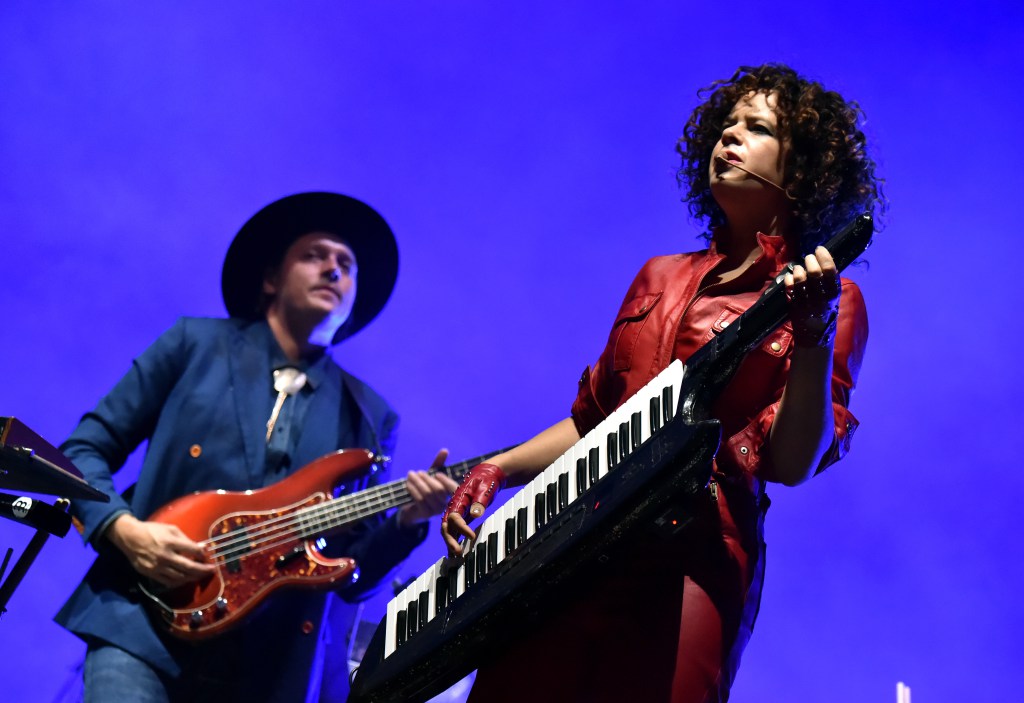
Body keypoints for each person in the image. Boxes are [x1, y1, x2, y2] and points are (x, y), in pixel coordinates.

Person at [441, 64, 883, 702]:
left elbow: (791, 462)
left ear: (802, 172)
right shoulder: (660, 274)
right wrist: (496, 469)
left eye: (755, 129)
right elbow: (598, 425)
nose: (727, 138)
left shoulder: (834, 295)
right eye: (724, 126)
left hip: (694, 560)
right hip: (572, 541)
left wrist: (813, 333)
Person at [55, 192, 459, 702]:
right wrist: (122, 529)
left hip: (266, 667)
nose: (334, 270)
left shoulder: (370, 416)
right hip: (140, 620)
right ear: (271, 279)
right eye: (315, 255)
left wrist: (407, 524)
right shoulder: (193, 345)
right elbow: (81, 450)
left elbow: (351, 575)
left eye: (347, 265)